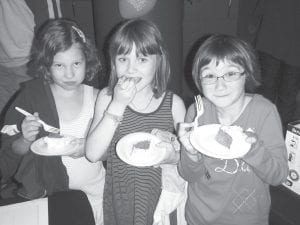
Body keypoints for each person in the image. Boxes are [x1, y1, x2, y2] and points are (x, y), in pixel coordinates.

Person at [0, 18, 104, 225]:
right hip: (49, 196)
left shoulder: (100, 98)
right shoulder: (31, 98)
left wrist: (88, 147)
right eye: (59, 65)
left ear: (87, 59)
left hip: (97, 193)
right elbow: (9, 154)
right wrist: (25, 139)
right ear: (46, 64)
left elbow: (116, 147)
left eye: (76, 63)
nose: (69, 74)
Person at [178, 34, 288, 225]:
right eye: (210, 75)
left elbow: (278, 175)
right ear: (199, 79)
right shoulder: (197, 112)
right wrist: (190, 152)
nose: (220, 85)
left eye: (230, 74)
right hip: (200, 217)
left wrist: (252, 150)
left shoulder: (264, 112)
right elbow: (189, 175)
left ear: (247, 73)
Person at [86, 19, 186, 225]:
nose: (131, 69)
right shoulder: (107, 98)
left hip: (162, 200)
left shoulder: (173, 104)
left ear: (158, 61)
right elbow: (92, 154)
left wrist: (172, 157)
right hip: (121, 199)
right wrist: (118, 104)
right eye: (123, 59)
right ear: (113, 62)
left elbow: (189, 160)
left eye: (141, 59)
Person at [255, 0, 300, 131]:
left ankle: (264, 132)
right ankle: (275, 134)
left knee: (273, 91)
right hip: (277, 35)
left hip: (275, 35)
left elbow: (260, 9)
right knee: (285, 94)